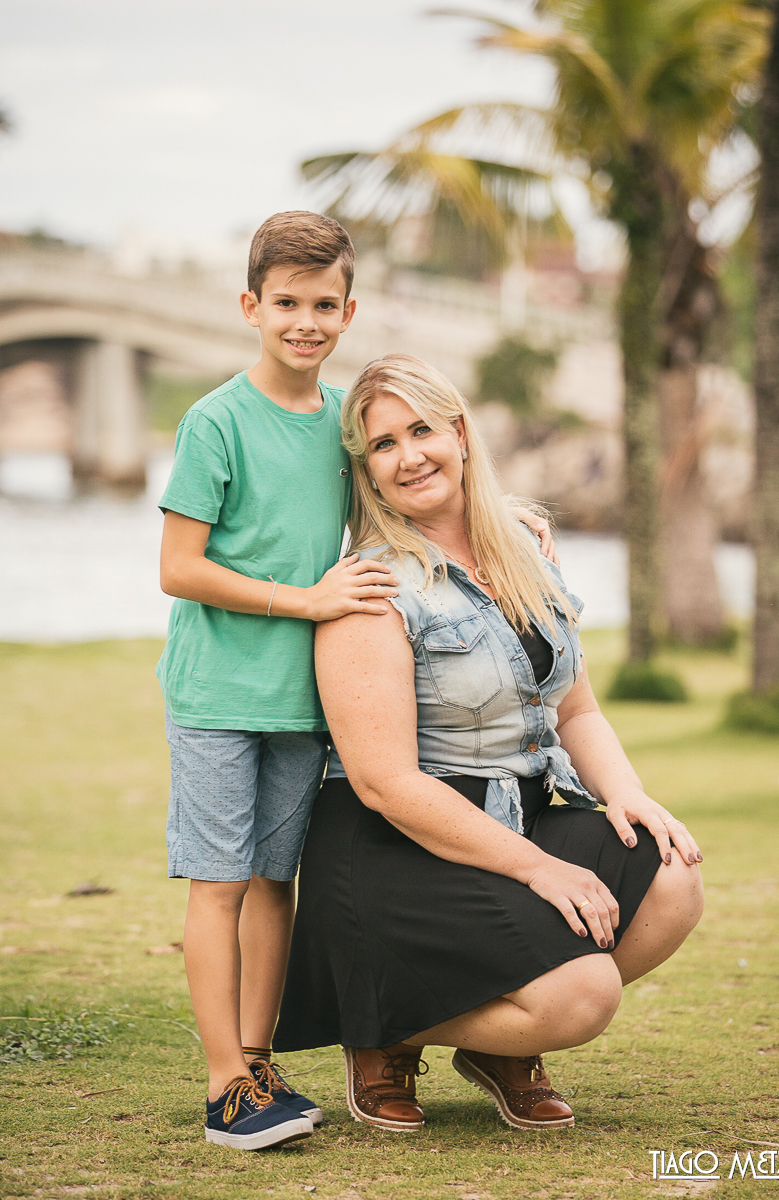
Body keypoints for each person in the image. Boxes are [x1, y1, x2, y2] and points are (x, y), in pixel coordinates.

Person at [156, 214, 554, 1150]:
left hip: (305, 702)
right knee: (217, 885)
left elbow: (409, 492)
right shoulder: (215, 420)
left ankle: (259, 1058)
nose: (304, 321)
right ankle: (225, 1087)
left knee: (271, 882)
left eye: (322, 305)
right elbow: (179, 568)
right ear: (250, 307)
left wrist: (511, 512)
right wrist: (308, 601)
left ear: (347, 311)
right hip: (219, 692)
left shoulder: (340, 427)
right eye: (285, 303)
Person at [275, 354, 705, 1134]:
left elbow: (576, 710)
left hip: (519, 810)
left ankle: (501, 1044)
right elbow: (383, 784)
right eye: (381, 445)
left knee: (672, 876)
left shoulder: (525, 550)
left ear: (460, 433)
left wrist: (628, 795)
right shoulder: (373, 588)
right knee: (583, 996)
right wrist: (541, 870)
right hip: (396, 844)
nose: (408, 456)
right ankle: (386, 1027)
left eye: (421, 430)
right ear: (365, 470)